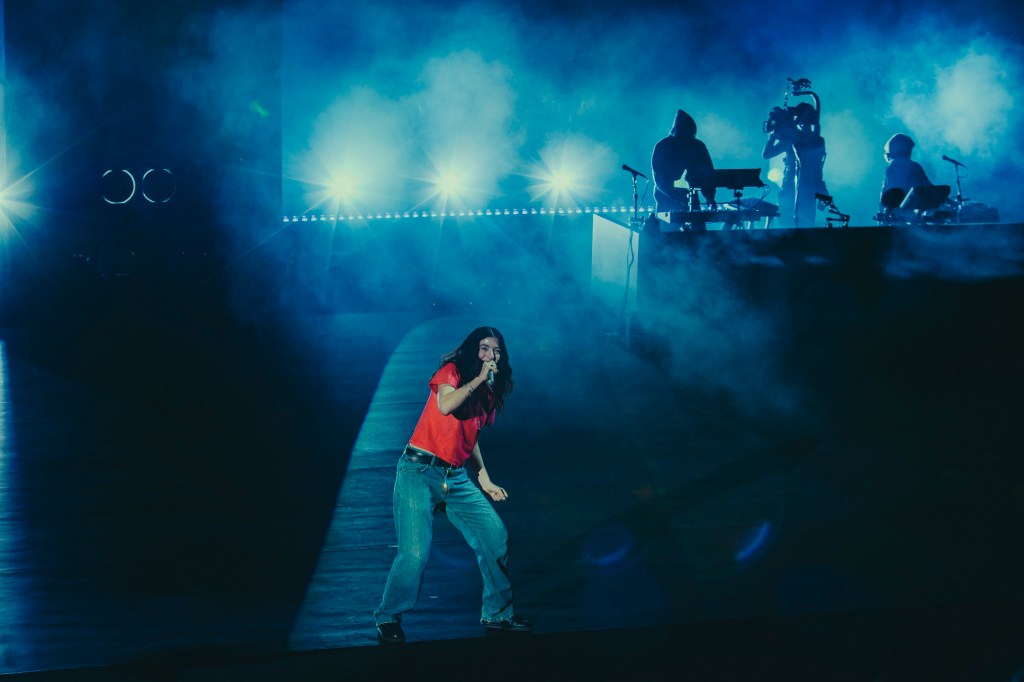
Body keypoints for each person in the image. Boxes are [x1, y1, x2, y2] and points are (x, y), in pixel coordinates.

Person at [374, 326, 531, 644]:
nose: (491, 355)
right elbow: (447, 405)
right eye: (484, 348)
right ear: (472, 350)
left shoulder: (488, 393)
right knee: (415, 552)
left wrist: (484, 478)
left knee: (494, 535)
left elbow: (470, 437)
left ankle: (498, 614)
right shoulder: (452, 372)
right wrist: (476, 381)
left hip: (455, 478)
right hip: (418, 471)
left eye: (497, 351)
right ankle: (388, 616)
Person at [651, 109, 717, 223]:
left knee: (698, 236)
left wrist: (710, 197)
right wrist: (679, 198)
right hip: (666, 200)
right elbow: (660, 180)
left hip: (690, 197)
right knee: (668, 237)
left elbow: (707, 174)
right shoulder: (662, 147)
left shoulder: (697, 146)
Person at [879, 132, 932, 210]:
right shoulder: (908, 165)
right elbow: (929, 188)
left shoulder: (892, 165)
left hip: (899, 212)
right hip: (904, 213)